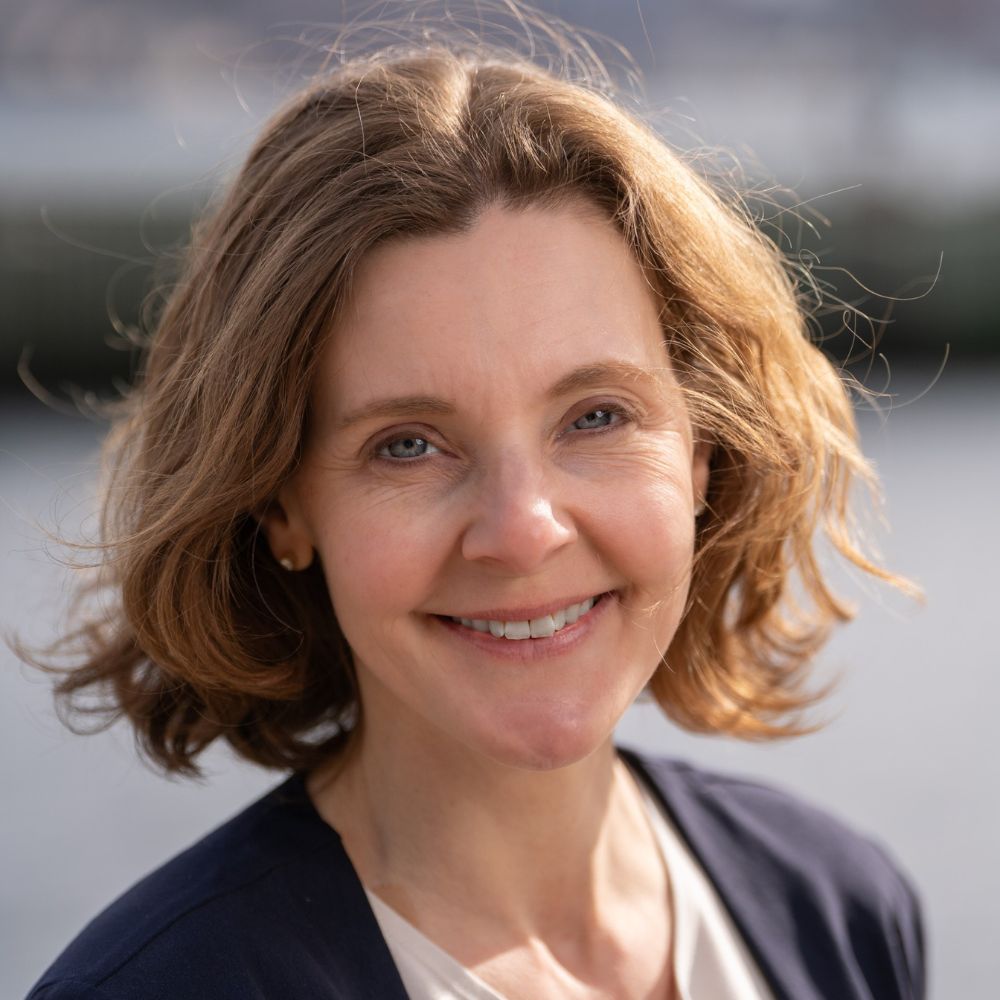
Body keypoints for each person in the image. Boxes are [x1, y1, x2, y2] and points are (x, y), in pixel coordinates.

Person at [25, 32, 925, 1000]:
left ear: (701, 453)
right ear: (280, 505)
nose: (524, 527)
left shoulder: (840, 904)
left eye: (596, 416)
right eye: (407, 443)